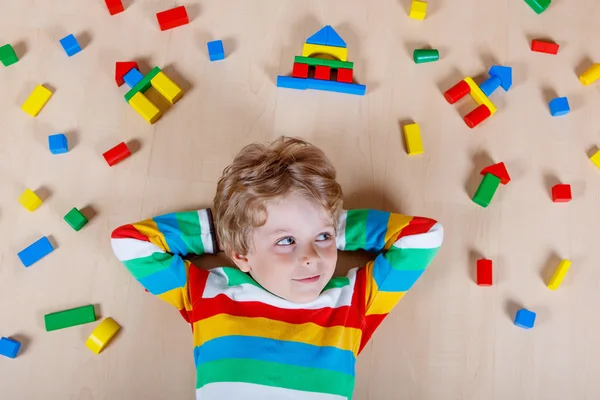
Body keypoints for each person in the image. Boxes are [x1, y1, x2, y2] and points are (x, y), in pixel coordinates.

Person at [110, 136, 443, 399]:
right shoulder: (210, 293)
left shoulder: (352, 301)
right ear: (240, 253)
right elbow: (131, 243)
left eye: (323, 237)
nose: (311, 256)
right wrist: (233, 228)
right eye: (286, 241)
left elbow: (424, 236)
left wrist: (324, 221)